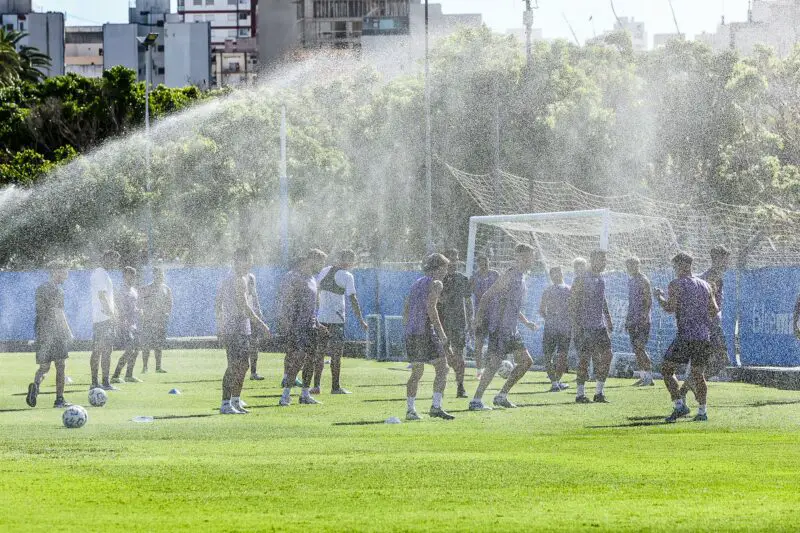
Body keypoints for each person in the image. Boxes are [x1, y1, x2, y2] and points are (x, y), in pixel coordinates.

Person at [469, 243, 538, 411]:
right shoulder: (510, 275)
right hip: (500, 327)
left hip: (512, 329)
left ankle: (501, 396)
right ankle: (476, 400)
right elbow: (487, 295)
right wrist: (477, 318)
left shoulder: (522, 278)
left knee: (526, 362)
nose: (532, 260)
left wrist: (526, 322)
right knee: (493, 364)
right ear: (521, 257)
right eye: (530, 256)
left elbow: (513, 306)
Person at [655, 252, 718, 422]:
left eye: (675, 266)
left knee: (667, 370)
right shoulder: (705, 285)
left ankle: (679, 406)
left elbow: (670, 308)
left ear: (682, 265)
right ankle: (702, 412)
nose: (675, 269)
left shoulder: (676, 284)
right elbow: (714, 310)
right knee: (698, 374)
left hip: (685, 336)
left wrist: (659, 297)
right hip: (703, 336)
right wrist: (700, 316)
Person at [215, 248, 271, 415]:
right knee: (234, 366)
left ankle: (235, 401)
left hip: (240, 328)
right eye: (248, 260)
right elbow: (244, 307)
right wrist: (262, 325)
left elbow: (217, 304)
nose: (251, 264)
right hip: (235, 329)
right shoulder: (237, 279)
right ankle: (226, 404)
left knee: (243, 365)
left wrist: (220, 325)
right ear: (239, 260)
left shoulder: (233, 278)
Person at [403, 253, 455, 420]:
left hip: (411, 332)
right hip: (425, 331)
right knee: (443, 368)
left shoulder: (417, 283)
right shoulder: (436, 283)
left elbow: (407, 307)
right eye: (446, 267)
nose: (447, 271)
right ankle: (436, 407)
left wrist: (407, 328)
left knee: (417, 372)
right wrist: (443, 335)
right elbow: (431, 309)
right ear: (439, 268)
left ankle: (411, 411)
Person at [310, 249, 368, 395]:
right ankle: (335, 387)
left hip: (321, 319)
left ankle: (316, 386)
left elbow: (315, 292)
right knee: (336, 355)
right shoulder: (347, 276)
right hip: (336, 320)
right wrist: (360, 319)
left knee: (319, 354)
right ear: (349, 261)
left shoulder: (324, 270)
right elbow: (353, 299)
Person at [278, 249, 328, 407]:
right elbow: (285, 301)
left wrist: (318, 323)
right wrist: (285, 322)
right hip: (296, 325)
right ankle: (285, 395)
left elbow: (312, 306)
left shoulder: (313, 279)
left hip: (311, 326)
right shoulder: (293, 277)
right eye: (320, 262)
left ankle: (305, 394)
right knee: (298, 360)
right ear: (311, 259)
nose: (321, 267)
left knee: (311, 360)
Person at [680, 245, 731, 398]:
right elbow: (708, 305)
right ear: (717, 258)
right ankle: (689, 387)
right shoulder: (711, 277)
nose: (727, 263)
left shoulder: (712, 276)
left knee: (708, 364)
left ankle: (685, 390)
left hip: (709, 325)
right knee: (719, 361)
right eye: (725, 259)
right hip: (709, 326)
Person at [26, 263, 73, 408]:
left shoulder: (41, 288)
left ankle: (36, 385)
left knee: (44, 367)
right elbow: (59, 312)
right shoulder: (58, 290)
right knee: (60, 365)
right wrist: (68, 331)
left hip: (42, 331)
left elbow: (40, 311)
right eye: (63, 273)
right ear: (55, 272)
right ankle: (59, 399)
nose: (66, 276)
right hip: (56, 332)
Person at [570, 250, 614, 404]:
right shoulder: (581, 278)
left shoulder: (601, 279)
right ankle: (579, 394)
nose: (604, 263)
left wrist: (608, 319)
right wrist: (576, 325)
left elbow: (603, 300)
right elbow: (572, 302)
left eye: (605, 260)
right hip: (584, 326)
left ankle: (599, 393)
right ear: (593, 260)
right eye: (602, 260)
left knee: (608, 355)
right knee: (584, 359)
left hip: (599, 326)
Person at [437, 248, 473, 398]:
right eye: (451, 259)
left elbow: (468, 300)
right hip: (443, 323)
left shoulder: (462, 279)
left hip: (459, 322)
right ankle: (440, 388)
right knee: (443, 358)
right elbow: (438, 300)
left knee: (459, 355)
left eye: (456, 258)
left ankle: (460, 386)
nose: (454, 262)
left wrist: (471, 319)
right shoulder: (438, 279)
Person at [90, 250, 119, 391]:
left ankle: (104, 382)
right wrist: (111, 313)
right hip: (102, 318)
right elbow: (102, 296)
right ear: (106, 259)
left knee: (107, 350)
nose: (115, 264)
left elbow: (108, 296)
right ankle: (96, 383)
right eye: (113, 260)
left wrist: (115, 311)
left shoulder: (104, 274)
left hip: (105, 318)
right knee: (99, 350)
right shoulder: (100, 273)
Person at [539, 266, 571, 392]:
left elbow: (573, 308)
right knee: (548, 356)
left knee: (563, 355)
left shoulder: (569, 289)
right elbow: (541, 310)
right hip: (551, 328)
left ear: (562, 274)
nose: (555, 276)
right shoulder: (548, 290)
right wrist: (550, 318)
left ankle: (557, 381)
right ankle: (554, 382)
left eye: (557, 273)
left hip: (565, 328)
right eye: (552, 274)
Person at [625, 257, 654, 387]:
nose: (630, 268)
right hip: (632, 320)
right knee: (636, 349)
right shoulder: (631, 281)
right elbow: (631, 303)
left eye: (633, 265)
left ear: (638, 265)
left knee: (640, 347)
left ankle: (649, 376)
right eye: (628, 266)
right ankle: (643, 377)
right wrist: (628, 319)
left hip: (642, 321)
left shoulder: (643, 280)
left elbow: (648, 300)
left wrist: (644, 316)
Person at [470, 255, 500, 378]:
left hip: (494, 314)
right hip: (480, 315)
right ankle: (478, 370)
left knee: (495, 344)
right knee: (479, 343)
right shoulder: (474, 277)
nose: (484, 265)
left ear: (489, 262)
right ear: (478, 264)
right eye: (481, 263)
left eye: (486, 263)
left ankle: (491, 369)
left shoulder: (495, 275)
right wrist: (473, 316)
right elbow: (468, 295)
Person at [111, 267, 143, 384]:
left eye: (134, 275)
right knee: (129, 349)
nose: (133, 277)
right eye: (131, 275)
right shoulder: (120, 290)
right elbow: (117, 306)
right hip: (124, 323)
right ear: (124, 276)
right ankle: (115, 375)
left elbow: (133, 306)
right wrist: (120, 320)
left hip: (134, 323)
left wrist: (139, 310)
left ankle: (129, 375)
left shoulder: (134, 290)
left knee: (136, 349)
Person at [140, 267, 172, 374]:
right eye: (158, 274)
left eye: (162, 274)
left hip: (160, 321)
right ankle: (145, 367)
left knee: (158, 345)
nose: (160, 276)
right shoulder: (147, 288)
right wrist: (145, 313)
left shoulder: (166, 289)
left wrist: (166, 313)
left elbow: (169, 303)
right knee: (146, 345)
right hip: (148, 321)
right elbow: (141, 303)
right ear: (154, 275)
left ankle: (158, 367)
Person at [246, 272, 266, 381]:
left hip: (252, 314)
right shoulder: (234, 277)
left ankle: (253, 372)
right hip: (242, 315)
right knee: (244, 344)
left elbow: (254, 294)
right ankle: (238, 370)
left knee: (254, 343)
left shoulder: (251, 277)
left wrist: (258, 310)